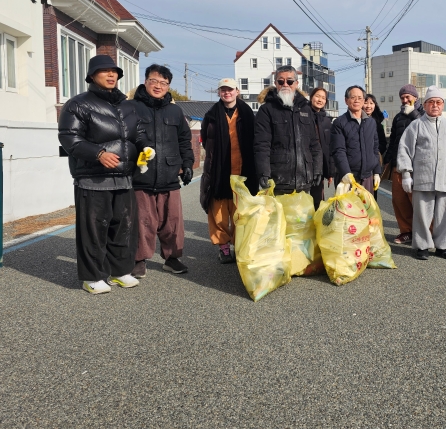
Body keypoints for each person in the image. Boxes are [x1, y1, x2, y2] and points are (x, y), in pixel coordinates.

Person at [58, 54, 142, 294]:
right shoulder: (78, 104)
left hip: (124, 177)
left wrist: (146, 148)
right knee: (93, 229)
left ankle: (119, 272)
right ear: (92, 75)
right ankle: (92, 276)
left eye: (114, 71)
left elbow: (139, 133)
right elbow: (68, 138)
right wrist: (98, 153)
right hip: (92, 178)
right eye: (105, 71)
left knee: (123, 226)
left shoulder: (128, 105)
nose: (111, 74)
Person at [131, 65, 195, 277]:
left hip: (169, 173)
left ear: (168, 86)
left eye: (163, 83)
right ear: (146, 81)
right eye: (154, 81)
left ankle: (172, 258)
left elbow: (185, 140)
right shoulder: (130, 108)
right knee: (143, 220)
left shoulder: (175, 111)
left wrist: (187, 165)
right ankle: (139, 259)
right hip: (141, 174)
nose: (158, 86)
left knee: (172, 221)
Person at [397, 86, 446, 260]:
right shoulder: (416, 125)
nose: (435, 105)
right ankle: (422, 246)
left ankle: (443, 246)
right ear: (425, 104)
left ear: (443, 105)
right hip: (423, 176)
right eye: (431, 102)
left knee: (445, 214)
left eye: (438, 102)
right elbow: (405, 150)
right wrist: (406, 174)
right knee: (422, 213)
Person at [200, 77, 257, 263]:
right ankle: (224, 247)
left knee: (241, 213)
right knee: (219, 213)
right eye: (223, 90)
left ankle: (241, 245)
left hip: (243, 170)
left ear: (237, 91)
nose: (227, 92)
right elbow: (205, 139)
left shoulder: (247, 113)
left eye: (230, 89)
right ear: (219, 92)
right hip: (219, 172)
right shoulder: (211, 115)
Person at [254, 65, 321, 195]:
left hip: (304, 180)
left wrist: (317, 169)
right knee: (278, 216)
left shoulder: (306, 109)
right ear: (275, 84)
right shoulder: (266, 110)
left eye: (289, 81)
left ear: (296, 83)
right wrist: (263, 172)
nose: (285, 84)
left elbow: (314, 143)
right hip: (278, 181)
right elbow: (262, 145)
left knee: (302, 216)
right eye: (281, 81)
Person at [383, 84, 424, 244]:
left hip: (417, 165)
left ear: (415, 97)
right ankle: (406, 231)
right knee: (399, 200)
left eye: (408, 97)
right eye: (403, 97)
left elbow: (425, 130)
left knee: (418, 201)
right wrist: (387, 159)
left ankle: (422, 232)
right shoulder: (399, 117)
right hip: (398, 164)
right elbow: (393, 139)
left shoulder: (422, 114)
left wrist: (413, 113)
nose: (405, 100)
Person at [331, 85, 381, 194]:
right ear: (346, 100)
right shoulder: (339, 122)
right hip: (347, 178)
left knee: (367, 209)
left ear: (363, 101)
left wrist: (377, 172)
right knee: (348, 210)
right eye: (353, 97)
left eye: (360, 98)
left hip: (367, 176)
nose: (357, 100)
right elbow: (339, 150)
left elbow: (375, 148)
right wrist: (345, 173)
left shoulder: (371, 122)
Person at [309, 86, 335, 205]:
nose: (320, 100)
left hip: (319, 166)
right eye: (317, 96)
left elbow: (328, 148)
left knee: (318, 201)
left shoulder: (326, 120)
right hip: (305, 165)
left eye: (323, 98)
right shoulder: (303, 115)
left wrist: (329, 172)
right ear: (311, 98)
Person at [363, 93, 388, 199]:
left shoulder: (378, 124)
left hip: (373, 163)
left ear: (375, 105)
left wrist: (375, 152)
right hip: (357, 163)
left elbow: (383, 143)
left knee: (372, 197)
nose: (368, 106)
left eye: (371, 103)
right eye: (366, 102)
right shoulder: (355, 121)